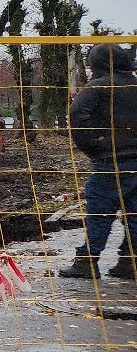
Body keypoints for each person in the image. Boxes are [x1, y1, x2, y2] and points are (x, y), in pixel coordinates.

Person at [60, 44, 137, 279]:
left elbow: (77, 117)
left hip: (109, 162)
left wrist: (94, 145)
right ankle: (129, 263)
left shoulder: (96, 87)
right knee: (134, 216)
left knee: (100, 215)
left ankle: (86, 263)